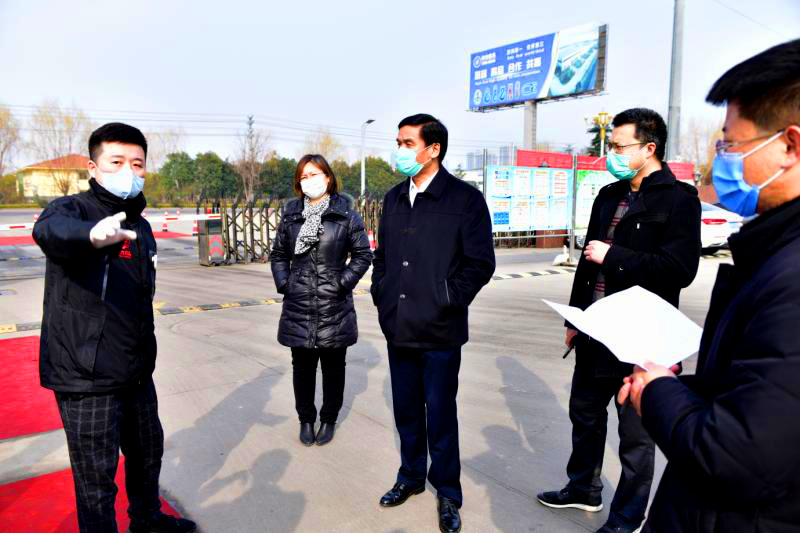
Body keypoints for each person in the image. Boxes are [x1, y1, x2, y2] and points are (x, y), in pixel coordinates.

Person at [618, 38, 800, 533]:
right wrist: (676, 387)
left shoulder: (792, 279)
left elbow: (737, 455)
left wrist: (658, 392)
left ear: (789, 146)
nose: (720, 159)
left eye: (730, 145)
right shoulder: (774, 253)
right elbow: (754, 397)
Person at [537, 108, 702, 533]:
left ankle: (627, 519)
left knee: (636, 437)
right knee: (585, 415)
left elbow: (678, 270)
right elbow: (585, 265)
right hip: (595, 330)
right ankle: (583, 488)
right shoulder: (609, 194)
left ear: (649, 148)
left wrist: (615, 256)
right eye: (610, 144)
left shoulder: (679, 199)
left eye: (618, 146)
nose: (610, 153)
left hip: (641, 338)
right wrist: (575, 319)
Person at [32, 123, 196, 533]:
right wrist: (89, 235)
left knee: (147, 454)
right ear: (93, 167)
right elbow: (49, 231)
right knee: (96, 480)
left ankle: (147, 520)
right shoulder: (72, 210)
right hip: (87, 376)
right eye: (117, 162)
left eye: (137, 164)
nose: (129, 171)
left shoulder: (140, 225)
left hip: (135, 371)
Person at [372, 114, 495, 533]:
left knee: (440, 415)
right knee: (406, 411)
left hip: (440, 330)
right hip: (399, 325)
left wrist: (446, 298)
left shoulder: (464, 199)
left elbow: (480, 264)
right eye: (398, 142)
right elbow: (383, 257)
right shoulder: (393, 197)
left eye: (408, 143)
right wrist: (383, 293)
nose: (400, 150)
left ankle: (447, 491)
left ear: (433, 149)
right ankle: (410, 476)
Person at [270, 154, 372, 446]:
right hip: (298, 302)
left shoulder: (346, 215)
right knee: (302, 367)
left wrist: (341, 283)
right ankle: (305, 419)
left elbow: (363, 255)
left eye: (314, 174)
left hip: (334, 304)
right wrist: (286, 284)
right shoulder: (291, 215)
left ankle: (328, 419)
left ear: (328, 177)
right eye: (303, 176)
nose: (309, 181)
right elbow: (279, 255)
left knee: (333, 367)